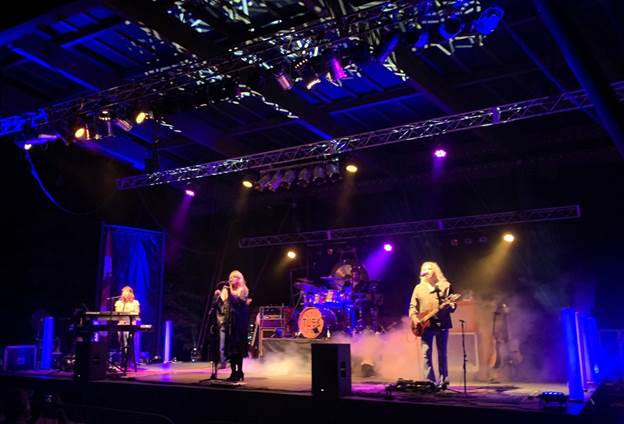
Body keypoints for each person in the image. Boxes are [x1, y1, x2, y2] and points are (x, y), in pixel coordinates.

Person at [408, 261, 457, 389]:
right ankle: (429, 381)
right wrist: (415, 318)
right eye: (424, 269)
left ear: (435, 270)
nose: (427, 271)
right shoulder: (418, 288)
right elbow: (413, 307)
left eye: (429, 268)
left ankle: (443, 381)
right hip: (426, 326)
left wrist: (449, 306)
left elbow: (453, 306)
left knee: (442, 353)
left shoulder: (445, 286)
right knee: (426, 353)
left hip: (442, 324)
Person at [210, 270, 251, 381]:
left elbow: (237, 304)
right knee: (231, 349)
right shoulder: (227, 290)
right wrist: (218, 296)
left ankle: (239, 371)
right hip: (229, 323)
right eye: (231, 277)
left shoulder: (243, 290)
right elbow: (221, 305)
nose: (232, 279)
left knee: (238, 349)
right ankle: (233, 372)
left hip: (239, 323)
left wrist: (228, 292)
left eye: (235, 277)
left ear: (239, 279)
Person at [114, 285, 140, 370]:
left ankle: (129, 362)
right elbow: (117, 313)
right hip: (121, 324)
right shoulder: (119, 303)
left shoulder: (135, 302)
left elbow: (136, 313)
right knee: (122, 344)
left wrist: (132, 321)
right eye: (123, 292)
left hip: (131, 324)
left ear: (130, 293)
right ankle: (122, 362)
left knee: (129, 343)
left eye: (126, 292)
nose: (124, 294)